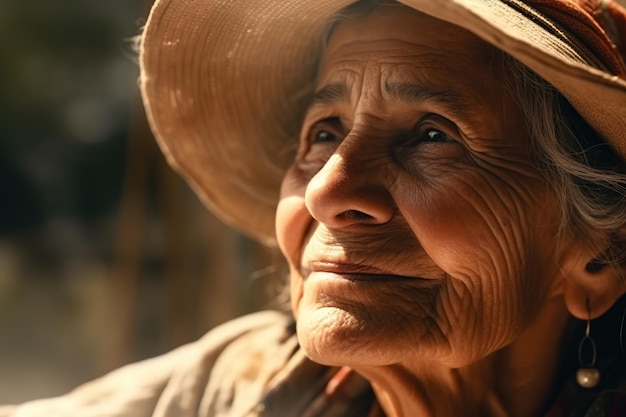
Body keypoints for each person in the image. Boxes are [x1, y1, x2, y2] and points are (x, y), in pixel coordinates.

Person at [2, 0, 626, 416]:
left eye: (434, 135)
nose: (329, 191)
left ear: (598, 258)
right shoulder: (241, 387)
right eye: (324, 133)